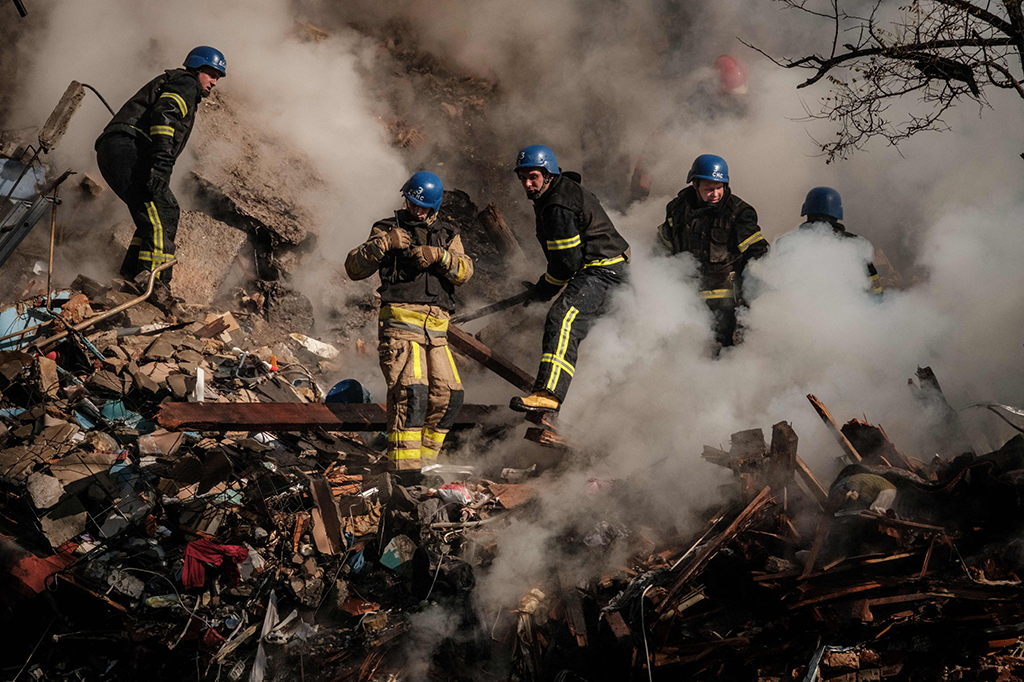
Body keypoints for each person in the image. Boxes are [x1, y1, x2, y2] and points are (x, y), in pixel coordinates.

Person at [345, 171, 474, 482]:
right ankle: (404, 475)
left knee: (450, 395)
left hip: (437, 331)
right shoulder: (388, 228)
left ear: (434, 207)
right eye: (412, 203)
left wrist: (440, 256)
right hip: (401, 326)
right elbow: (353, 268)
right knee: (411, 393)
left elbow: (465, 272)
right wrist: (384, 244)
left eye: (422, 206)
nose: (416, 210)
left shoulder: (448, 234)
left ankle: (424, 464)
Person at [95, 46, 226, 314]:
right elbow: (165, 115)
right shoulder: (186, 83)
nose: (214, 82)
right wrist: (161, 164)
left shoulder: (179, 83)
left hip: (119, 148)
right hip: (128, 147)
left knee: (158, 210)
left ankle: (134, 273)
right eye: (211, 74)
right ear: (197, 69)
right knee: (160, 211)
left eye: (218, 77)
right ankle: (155, 283)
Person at [509, 145, 630, 414]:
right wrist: (544, 287)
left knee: (562, 319)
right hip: (606, 270)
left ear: (548, 174)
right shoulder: (556, 192)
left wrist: (544, 289)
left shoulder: (557, 205)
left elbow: (567, 264)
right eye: (523, 178)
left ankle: (548, 394)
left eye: (533, 178)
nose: (528, 184)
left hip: (603, 271)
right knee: (593, 335)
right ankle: (596, 408)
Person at [657, 154, 768, 348]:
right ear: (695, 184)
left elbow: (758, 254)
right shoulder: (677, 209)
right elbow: (664, 247)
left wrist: (751, 298)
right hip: (683, 298)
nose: (715, 194)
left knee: (720, 355)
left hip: (725, 305)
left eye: (719, 188)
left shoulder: (739, 213)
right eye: (709, 189)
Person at [794, 187, 883, 295]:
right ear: (838, 212)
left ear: (805, 210)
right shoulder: (856, 244)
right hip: (849, 310)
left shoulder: (788, 244)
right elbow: (875, 293)